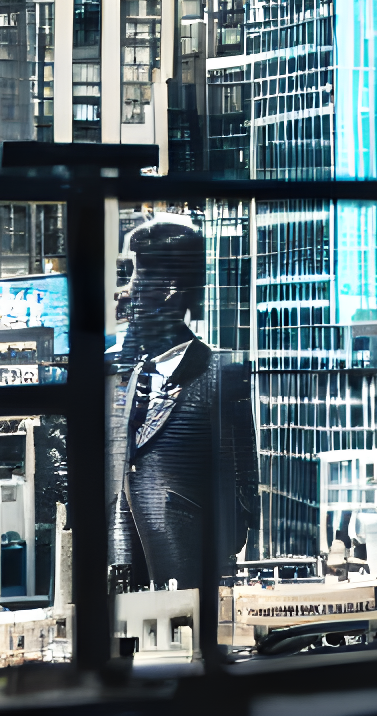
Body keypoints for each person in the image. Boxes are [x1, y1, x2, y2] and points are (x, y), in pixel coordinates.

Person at [108, 213, 258, 591]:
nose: (126, 291)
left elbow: (242, 478)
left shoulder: (218, 374)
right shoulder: (123, 374)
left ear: (170, 286)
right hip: (126, 571)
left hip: (190, 577)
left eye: (136, 276)